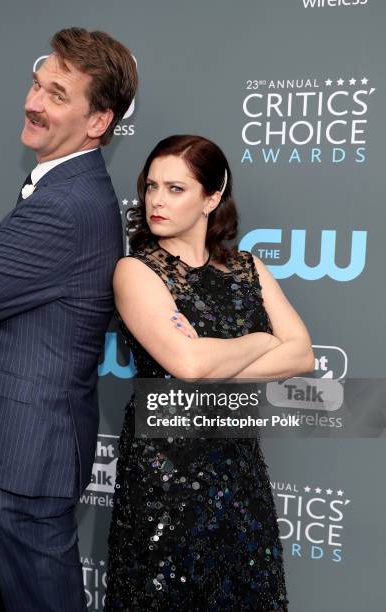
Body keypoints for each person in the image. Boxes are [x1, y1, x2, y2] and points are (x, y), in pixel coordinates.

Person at [0, 27, 137, 612]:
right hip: (8, 452)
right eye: (36, 82)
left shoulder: (65, 205)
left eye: (57, 94)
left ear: (98, 122)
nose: (33, 101)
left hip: (26, 458)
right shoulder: (63, 187)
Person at [104, 134, 314, 610]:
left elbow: (302, 355)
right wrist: (262, 341)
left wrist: (215, 356)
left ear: (211, 198)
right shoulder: (136, 272)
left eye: (176, 189)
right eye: (151, 186)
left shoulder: (248, 268)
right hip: (164, 478)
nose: (156, 200)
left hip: (238, 477)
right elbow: (189, 364)